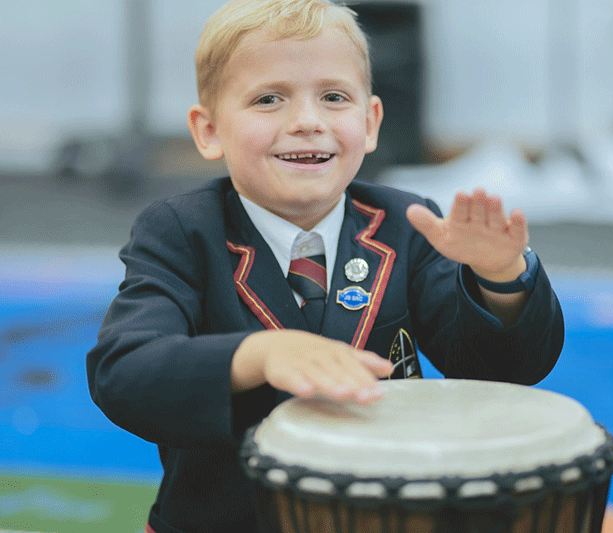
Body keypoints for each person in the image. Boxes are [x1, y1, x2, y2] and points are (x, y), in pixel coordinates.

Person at [86, 0, 564, 531]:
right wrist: (256, 354)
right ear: (209, 130)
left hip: (388, 518)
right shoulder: (180, 232)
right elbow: (123, 372)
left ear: (371, 120)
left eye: (334, 97)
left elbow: (502, 372)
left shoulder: (408, 224)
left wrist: (499, 278)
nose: (307, 122)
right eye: (269, 99)